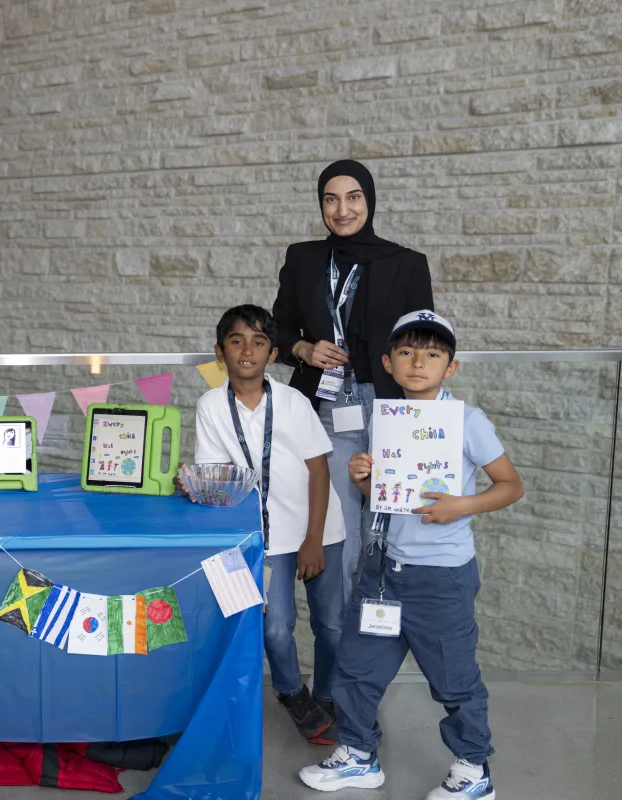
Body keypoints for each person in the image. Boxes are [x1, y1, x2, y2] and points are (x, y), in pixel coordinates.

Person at [299, 311, 523, 800]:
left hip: (440, 575)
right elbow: (385, 493)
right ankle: (358, 755)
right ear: (388, 362)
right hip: (382, 567)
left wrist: (461, 505)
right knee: (357, 667)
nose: (418, 362)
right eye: (406, 352)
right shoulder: (386, 417)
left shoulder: (467, 420)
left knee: (453, 678)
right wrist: (363, 477)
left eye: (433, 353)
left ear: (452, 367)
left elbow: (511, 486)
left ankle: (473, 770)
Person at [272, 159, 434, 606]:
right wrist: (304, 349)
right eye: (331, 198)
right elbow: (279, 327)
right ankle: (340, 647)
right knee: (336, 529)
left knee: (384, 527)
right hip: (327, 407)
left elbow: (423, 342)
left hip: (391, 407)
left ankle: (375, 636)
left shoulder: (407, 264)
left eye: (353, 197)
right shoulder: (303, 258)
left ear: (370, 200)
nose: (342, 209)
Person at [188, 305, 347, 744]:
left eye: (259, 342)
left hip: (319, 527)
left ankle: (330, 695)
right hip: (261, 536)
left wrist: (313, 540)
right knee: (274, 625)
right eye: (237, 341)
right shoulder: (209, 406)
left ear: (272, 353)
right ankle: (293, 692)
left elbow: (319, 471)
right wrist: (195, 487)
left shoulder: (293, 402)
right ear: (220, 352)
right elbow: (217, 475)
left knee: (331, 623)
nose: (247, 350)